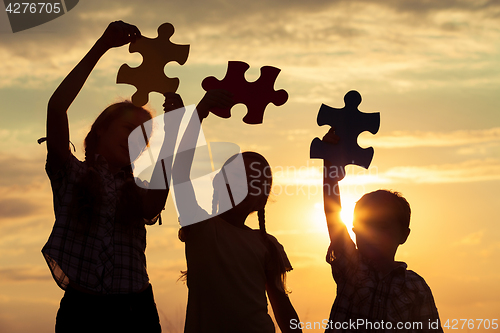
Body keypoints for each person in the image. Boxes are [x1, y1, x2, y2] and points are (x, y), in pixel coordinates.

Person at [41, 20, 187, 333]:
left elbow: (152, 208)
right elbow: (57, 107)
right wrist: (102, 46)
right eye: (127, 129)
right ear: (101, 131)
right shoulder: (71, 174)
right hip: (83, 310)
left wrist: (174, 131)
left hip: (136, 309)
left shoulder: (138, 189)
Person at [172, 126, 301, 332]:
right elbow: (179, 175)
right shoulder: (199, 226)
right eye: (238, 176)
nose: (245, 185)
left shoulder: (268, 244)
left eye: (255, 182)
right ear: (218, 183)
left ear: (262, 200)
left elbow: (282, 306)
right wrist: (199, 114)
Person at [320, 128, 443, 332]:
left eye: (383, 226)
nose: (372, 234)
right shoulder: (351, 266)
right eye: (365, 225)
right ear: (354, 230)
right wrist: (329, 164)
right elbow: (332, 210)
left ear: (404, 235)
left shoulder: (415, 286)